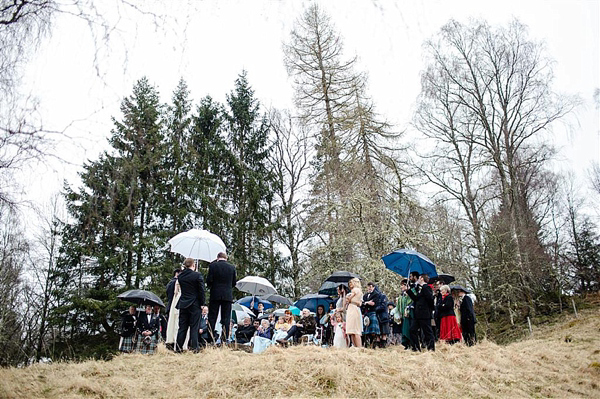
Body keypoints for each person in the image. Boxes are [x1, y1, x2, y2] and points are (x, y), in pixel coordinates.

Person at [175, 258, 205, 352]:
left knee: (182, 327)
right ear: (193, 265)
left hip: (183, 303)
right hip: (194, 304)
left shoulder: (181, 276)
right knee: (194, 327)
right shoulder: (197, 275)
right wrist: (202, 303)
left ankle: (179, 348)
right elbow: (201, 290)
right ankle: (194, 347)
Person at [206, 252, 237, 343]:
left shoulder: (212, 266)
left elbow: (209, 281)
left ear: (217, 258)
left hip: (215, 294)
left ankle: (210, 339)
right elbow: (234, 282)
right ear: (226, 258)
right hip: (227, 295)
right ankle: (224, 338)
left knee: (212, 317)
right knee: (226, 318)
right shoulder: (232, 267)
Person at [404, 274, 435, 351]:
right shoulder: (419, 289)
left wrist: (430, 310)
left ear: (421, 278)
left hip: (424, 314)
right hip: (417, 314)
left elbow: (430, 299)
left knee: (427, 331)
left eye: (419, 278)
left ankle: (431, 348)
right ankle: (416, 347)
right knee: (412, 330)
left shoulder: (426, 288)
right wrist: (408, 291)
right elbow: (416, 298)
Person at [165, 274, 183, 349]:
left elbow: (174, 292)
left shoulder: (176, 280)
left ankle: (174, 341)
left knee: (174, 321)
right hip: (182, 299)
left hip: (176, 300)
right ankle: (178, 343)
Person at [344, 277, 363, 348]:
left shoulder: (355, 290)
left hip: (353, 309)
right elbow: (360, 303)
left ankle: (358, 347)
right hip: (353, 309)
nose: (350, 284)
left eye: (351, 283)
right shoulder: (359, 291)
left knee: (355, 330)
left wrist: (348, 298)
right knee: (352, 330)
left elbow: (348, 299)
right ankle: (356, 347)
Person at [362, 282, 381, 348]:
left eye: (371, 286)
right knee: (365, 331)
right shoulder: (365, 295)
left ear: (373, 287)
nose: (369, 288)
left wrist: (367, 303)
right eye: (368, 286)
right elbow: (362, 304)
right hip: (366, 313)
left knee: (373, 331)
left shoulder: (376, 294)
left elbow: (373, 303)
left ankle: (373, 343)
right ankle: (366, 344)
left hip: (372, 312)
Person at [398, 279, 414, 350]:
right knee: (404, 329)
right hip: (404, 315)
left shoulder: (412, 292)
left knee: (409, 329)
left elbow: (411, 301)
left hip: (410, 314)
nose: (401, 287)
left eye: (402, 285)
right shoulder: (402, 295)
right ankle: (406, 343)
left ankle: (411, 343)